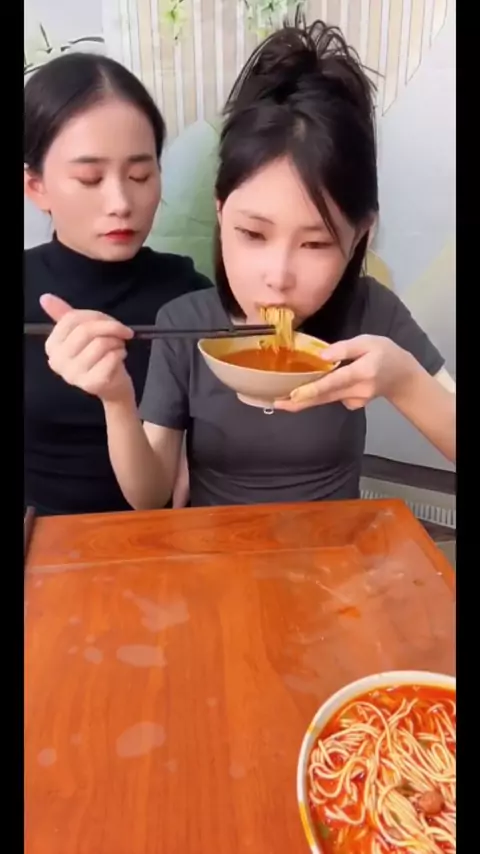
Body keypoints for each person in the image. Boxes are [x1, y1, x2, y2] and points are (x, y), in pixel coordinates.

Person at [41, 18, 456, 511]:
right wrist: (116, 398)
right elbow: (150, 499)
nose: (277, 277)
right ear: (221, 214)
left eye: (315, 244)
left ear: (359, 236)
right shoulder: (185, 322)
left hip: (334, 549)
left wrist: (404, 380)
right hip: (217, 549)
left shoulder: (371, 313)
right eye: (253, 234)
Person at [24, 52, 211, 515]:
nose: (121, 202)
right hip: (40, 539)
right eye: (90, 178)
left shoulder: (189, 295)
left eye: (140, 175)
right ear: (35, 186)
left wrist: (202, 451)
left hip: (161, 536)